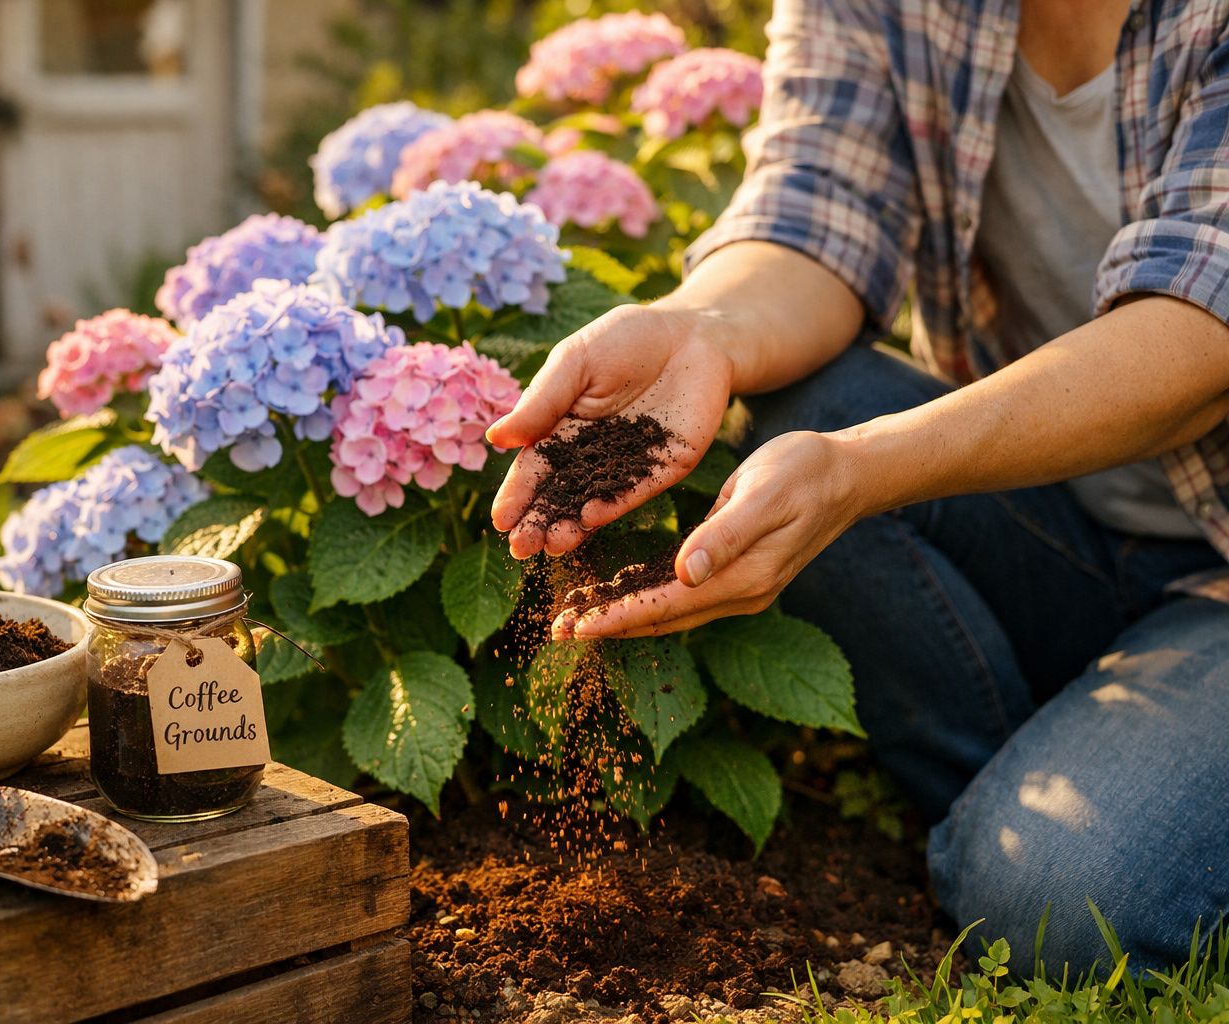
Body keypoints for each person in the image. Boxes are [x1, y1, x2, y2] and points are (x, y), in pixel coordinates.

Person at [487, 0, 1229, 973]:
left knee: (1062, 903)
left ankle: (1112, 805)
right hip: (1061, 522)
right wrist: (698, 330)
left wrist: (861, 469)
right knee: (808, 400)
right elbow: (811, 218)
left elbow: (1197, 339)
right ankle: (1105, 773)